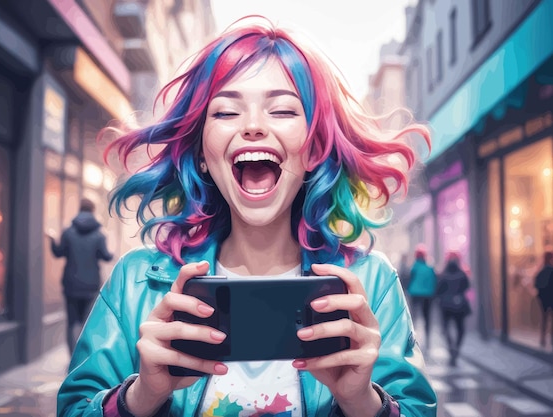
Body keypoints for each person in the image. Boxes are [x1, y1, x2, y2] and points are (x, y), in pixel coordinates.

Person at [57, 16, 437, 417]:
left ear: (313, 151)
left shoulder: (371, 284)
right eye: (225, 113)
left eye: (283, 110)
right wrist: (142, 395)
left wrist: (362, 402)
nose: (254, 126)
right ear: (203, 154)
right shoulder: (135, 282)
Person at [47, 197, 114, 355]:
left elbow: (58, 253)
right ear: (92, 211)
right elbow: (105, 256)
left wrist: (51, 240)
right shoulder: (99, 235)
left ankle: (71, 359)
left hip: (71, 285)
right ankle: (82, 359)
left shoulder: (68, 232)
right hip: (91, 286)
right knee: (87, 324)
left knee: (72, 323)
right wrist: (110, 251)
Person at [436, 251, 471, 366]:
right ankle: (457, 347)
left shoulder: (443, 274)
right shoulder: (462, 273)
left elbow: (438, 290)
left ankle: (451, 346)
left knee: (446, 328)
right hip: (459, 305)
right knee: (461, 328)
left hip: (446, 306)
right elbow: (467, 286)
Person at [406, 244, 437, 348]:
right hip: (428, 295)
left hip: (415, 294)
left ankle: (412, 339)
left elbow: (409, 279)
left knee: (413, 317)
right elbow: (434, 281)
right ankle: (428, 340)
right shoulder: (430, 267)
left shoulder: (414, 267)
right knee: (427, 318)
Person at [534, 251, 553, 348]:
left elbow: (536, 284)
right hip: (551, 298)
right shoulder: (551, 270)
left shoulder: (541, 271)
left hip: (543, 299)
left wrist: (540, 295)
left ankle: (543, 339)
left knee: (544, 318)